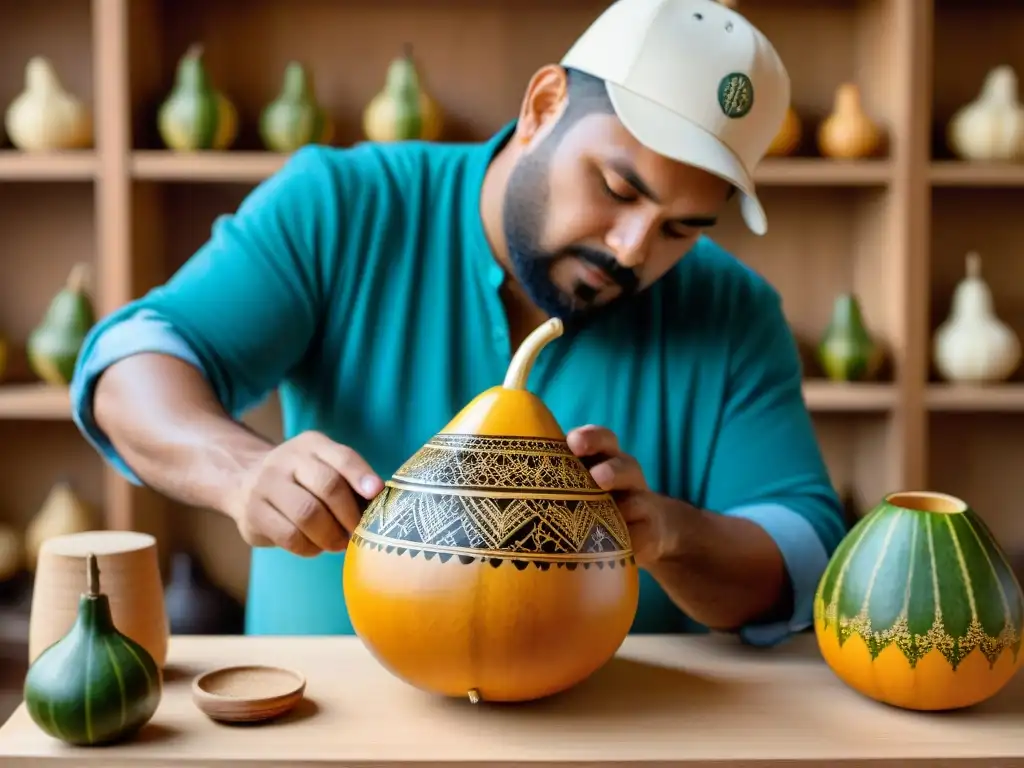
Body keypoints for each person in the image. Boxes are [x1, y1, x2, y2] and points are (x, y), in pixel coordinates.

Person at [70, 0, 847, 645]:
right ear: (543, 108)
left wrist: (666, 535)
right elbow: (133, 359)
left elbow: (809, 555)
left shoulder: (735, 310)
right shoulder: (343, 206)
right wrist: (240, 471)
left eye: (683, 228)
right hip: (324, 731)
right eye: (616, 186)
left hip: (607, 737)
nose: (633, 248)